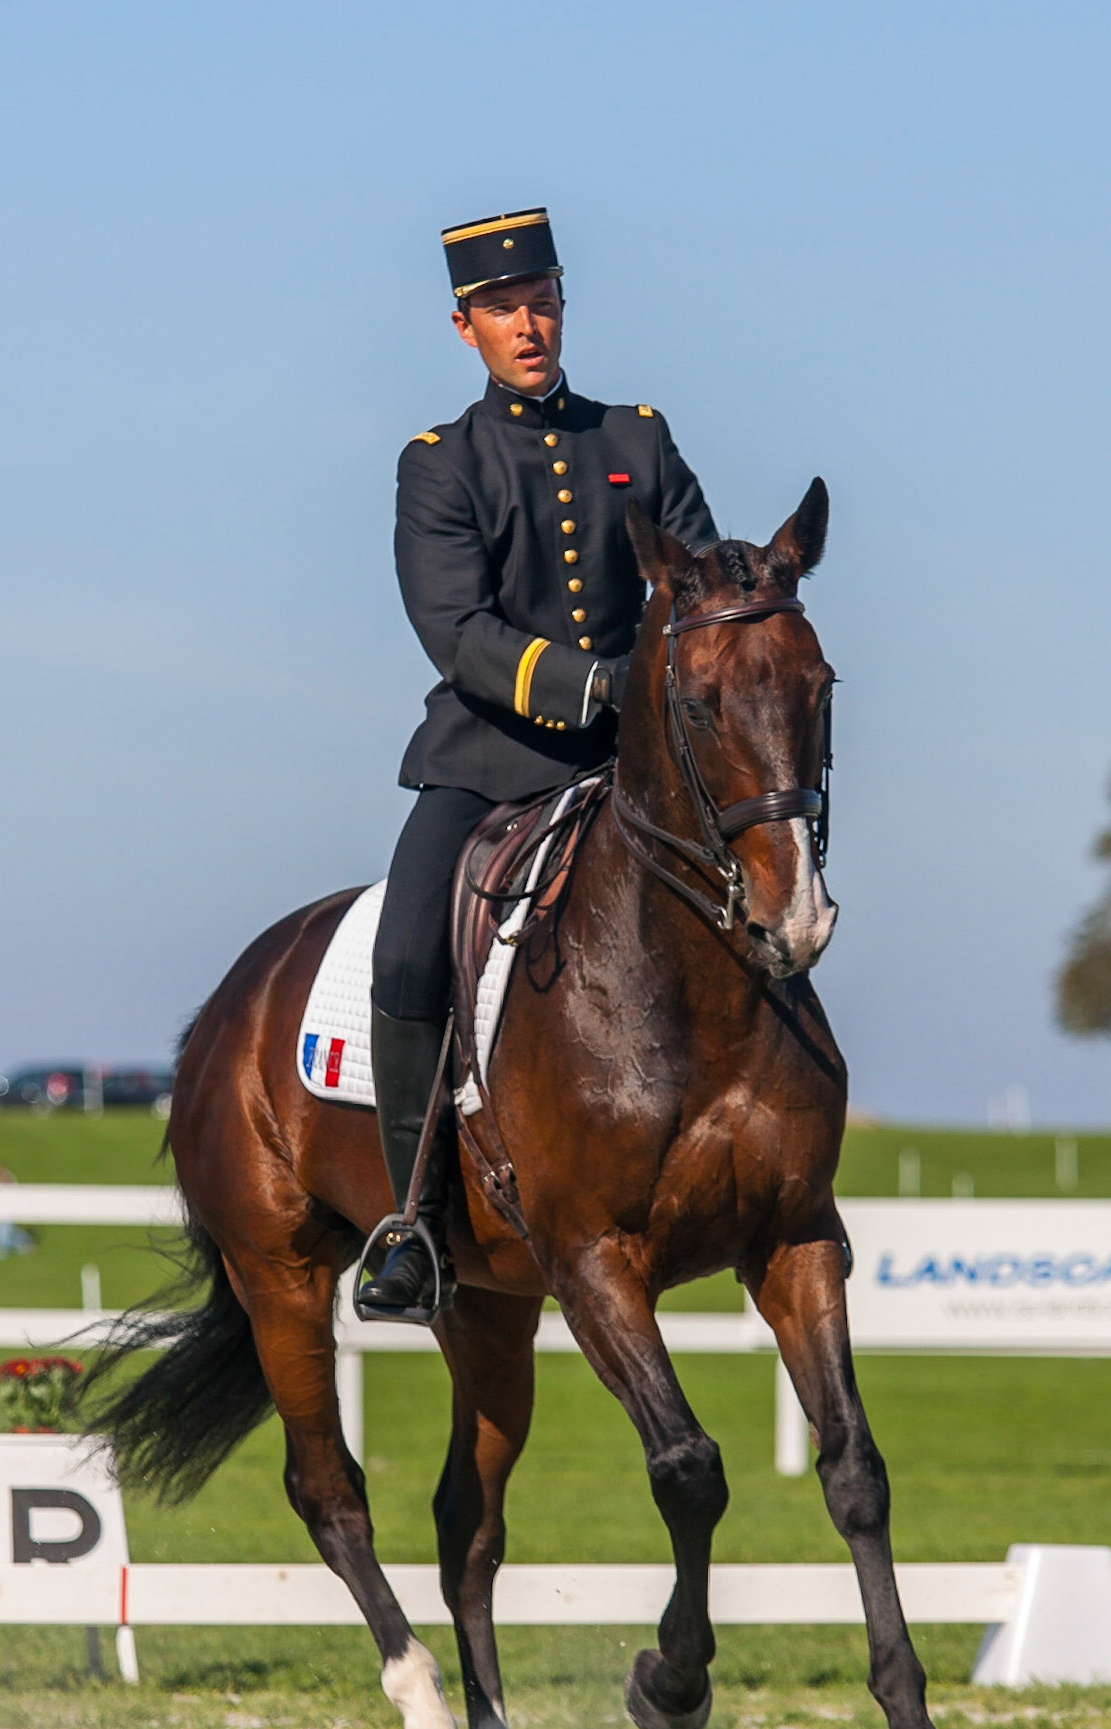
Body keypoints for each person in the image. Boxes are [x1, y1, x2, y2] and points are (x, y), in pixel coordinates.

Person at [358, 208, 718, 1321]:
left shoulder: (639, 441)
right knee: (410, 950)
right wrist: (598, 686)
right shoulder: (439, 466)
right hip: (487, 758)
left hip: (628, 770)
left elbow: (699, 586)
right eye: (504, 309)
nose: (530, 324)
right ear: (463, 326)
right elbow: (458, 634)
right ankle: (413, 1222)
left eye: (544, 300)